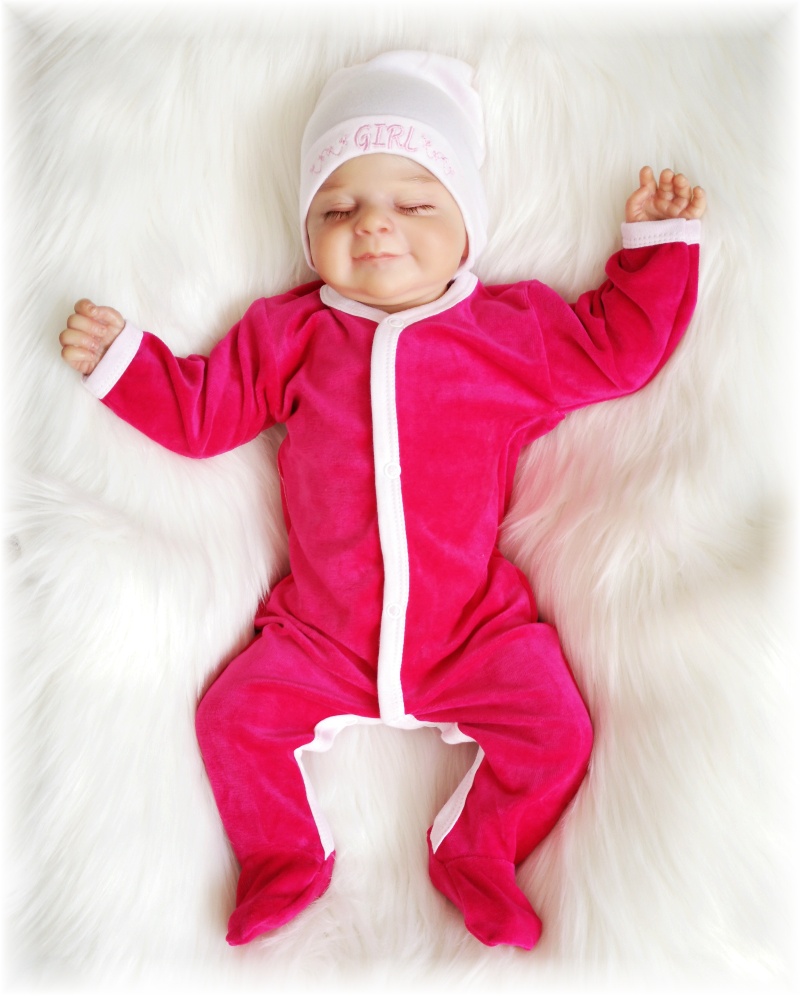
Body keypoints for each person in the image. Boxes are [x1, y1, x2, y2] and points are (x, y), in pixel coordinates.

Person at [58, 50, 706, 950]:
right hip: (319, 635)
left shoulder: (507, 334)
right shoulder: (291, 334)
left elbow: (614, 353)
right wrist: (125, 363)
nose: (372, 226)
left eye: (414, 204)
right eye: (338, 209)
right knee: (232, 719)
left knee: (555, 733)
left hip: (471, 628)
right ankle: (284, 854)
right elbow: (205, 414)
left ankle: (479, 850)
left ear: (467, 224)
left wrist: (656, 254)